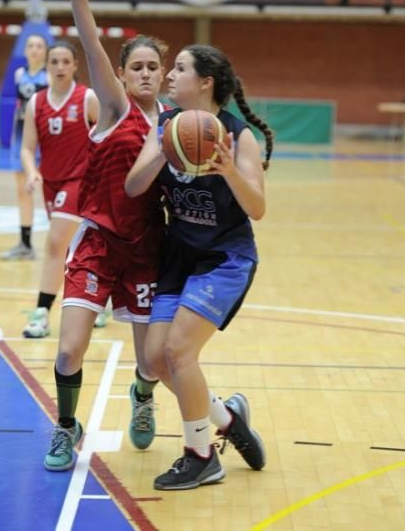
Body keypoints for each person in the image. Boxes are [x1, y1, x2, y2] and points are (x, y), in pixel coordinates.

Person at [41, 0, 168, 471]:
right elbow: (91, 43)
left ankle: (142, 395)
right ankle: (66, 426)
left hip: (145, 251)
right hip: (96, 243)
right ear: (121, 73)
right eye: (135, 66)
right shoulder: (115, 107)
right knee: (69, 350)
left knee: (153, 361)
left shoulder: (178, 125)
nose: (143, 73)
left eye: (152, 67)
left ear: (163, 75)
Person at [125, 43, 274, 490]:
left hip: (225, 258)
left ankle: (200, 454)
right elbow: (134, 187)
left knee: (178, 352)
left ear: (205, 82)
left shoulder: (236, 136)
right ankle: (227, 419)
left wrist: (229, 170)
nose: (169, 75)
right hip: (180, 255)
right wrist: (160, 147)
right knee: (154, 359)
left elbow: (259, 208)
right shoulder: (165, 125)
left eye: (180, 69)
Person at [20, 40, 99, 338]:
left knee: (54, 243)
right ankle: (97, 300)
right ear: (47, 66)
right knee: (71, 247)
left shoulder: (87, 98)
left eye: (66, 61)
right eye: (55, 61)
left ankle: (42, 313)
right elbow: (27, 148)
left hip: (79, 181)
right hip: (50, 182)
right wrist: (32, 172)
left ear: (76, 65)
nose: (60, 67)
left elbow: (111, 129)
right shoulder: (36, 103)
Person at [0, 33, 49, 261]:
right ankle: (26, 242)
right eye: (31, 45)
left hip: (43, 141)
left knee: (49, 192)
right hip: (22, 140)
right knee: (22, 192)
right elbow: (19, 107)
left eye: (39, 45)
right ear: (26, 50)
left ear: (45, 51)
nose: (35, 49)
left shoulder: (49, 77)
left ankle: (60, 242)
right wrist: (13, 142)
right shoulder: (20, 74)